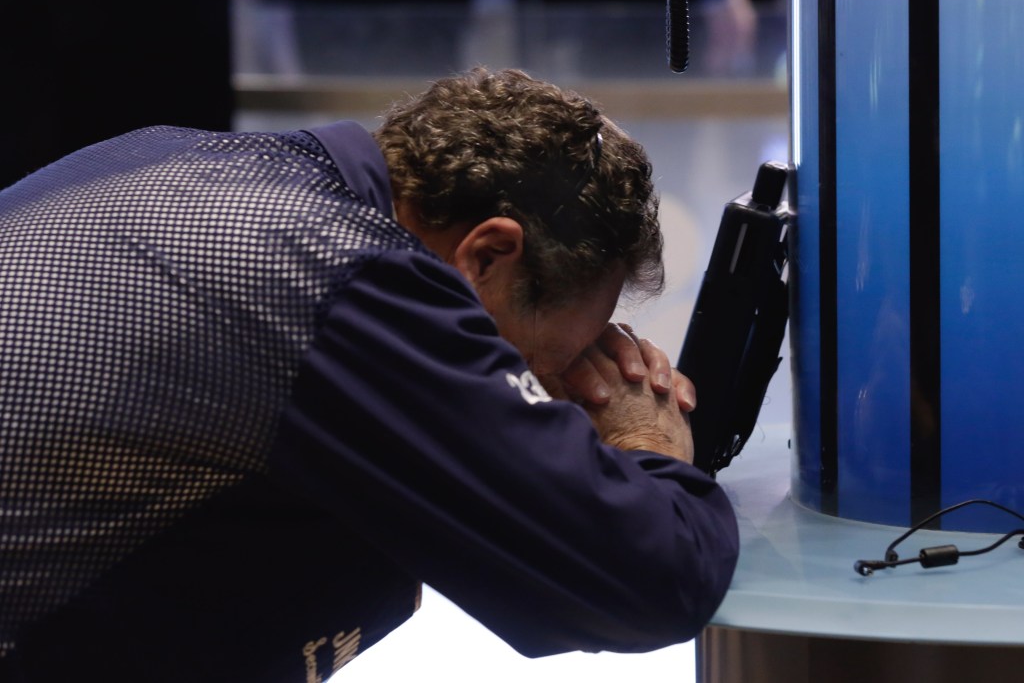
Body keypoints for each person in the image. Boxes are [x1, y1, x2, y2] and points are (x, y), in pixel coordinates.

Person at [0, 67, 738, 682]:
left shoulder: (167, 157)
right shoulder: (342, 276)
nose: (563, 385)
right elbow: (646, 581)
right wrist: (644, 438)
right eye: (561, 359)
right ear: (487, 257)